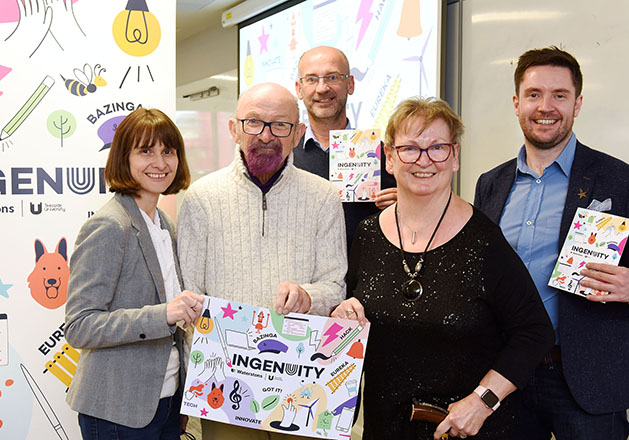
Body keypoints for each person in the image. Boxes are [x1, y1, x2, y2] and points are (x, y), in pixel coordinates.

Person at [474, 47, 629, 440]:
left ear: (577, 103)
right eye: (534, 94)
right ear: (517, 103)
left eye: (559, 95)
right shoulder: (491, 183)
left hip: (587, 381)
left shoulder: (620, 180)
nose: (545, 107)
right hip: (506, 373)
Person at [333, 97, 554, 439]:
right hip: (385, 426)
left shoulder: (484, 241)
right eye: (410, 148)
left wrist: (482, 401)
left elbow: (535, 332)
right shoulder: (368, 234)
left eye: (437, 148)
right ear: (389, 158)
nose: (424, 160)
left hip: (462, 429)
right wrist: (343, 313)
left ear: (454, 157)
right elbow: (353, 311)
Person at [177, 82, 347, 440]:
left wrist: (308, 296)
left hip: (301, 381)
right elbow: (189, 296)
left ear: (297, 133)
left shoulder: (323, 197)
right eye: (254, 122)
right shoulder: (200, 199)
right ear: (234, 129)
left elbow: (335, 286)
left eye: (280, 125)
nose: (266, 135)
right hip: (225, 383)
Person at [64, 108, 204, 439]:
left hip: (165, 401)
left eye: (168, 151)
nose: (160, 162)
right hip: (118, 409)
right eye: (146, 151)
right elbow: (79, 326)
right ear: (123, 158)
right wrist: (164, 314)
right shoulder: (109, 225)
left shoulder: (163, 223)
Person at [294, 46, 397, 247]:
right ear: (299, 89)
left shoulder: (381, 155)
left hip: (365, 266)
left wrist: (406, 206)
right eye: (312, 79)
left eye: (332, 77)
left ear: (350, 84)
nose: (322, 88)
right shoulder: (285, 157)